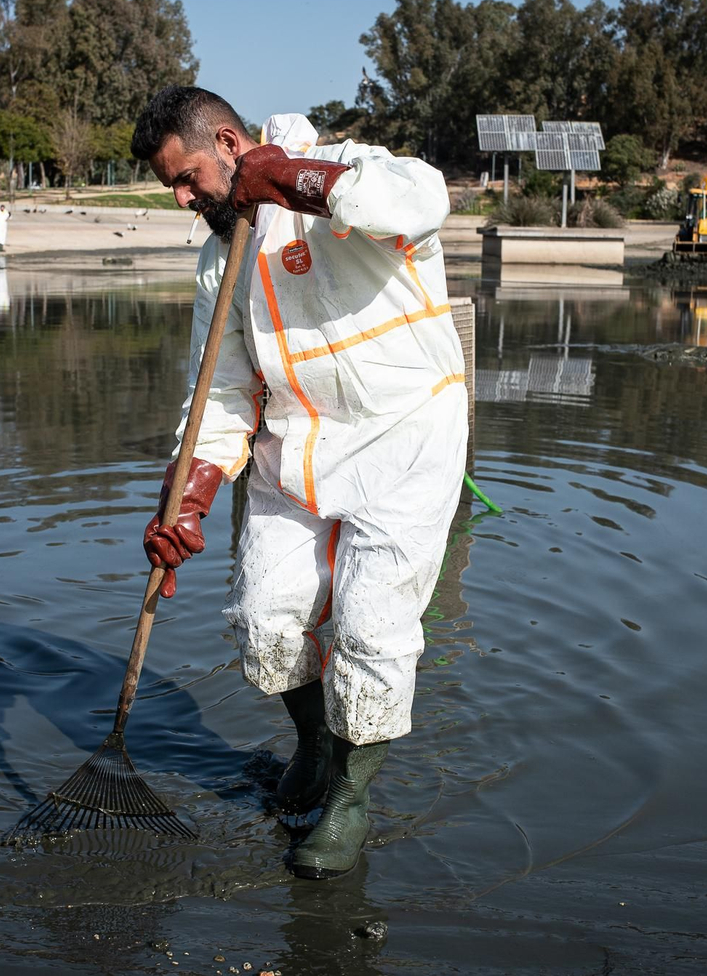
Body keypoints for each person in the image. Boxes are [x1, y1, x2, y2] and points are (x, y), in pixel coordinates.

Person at [131, 87, 465, 880]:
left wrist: (290, 182)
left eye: (187, 178)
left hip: (405, 436)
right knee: (266, 618)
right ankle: (317, 745)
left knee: (370, 630)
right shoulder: (222, 256)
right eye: (170, 188)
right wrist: (191, 494)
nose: (182, 198)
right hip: (297, 448)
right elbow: (221, 389)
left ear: (228, 142)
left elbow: (424, 201)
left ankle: (349, 797)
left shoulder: (346, 172)